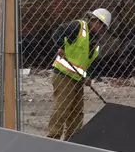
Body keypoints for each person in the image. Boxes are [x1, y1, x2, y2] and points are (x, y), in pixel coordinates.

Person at [46, 8, 112, 140]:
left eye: (104, 28)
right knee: (62, 108)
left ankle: (73, 138)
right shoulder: (78, 27)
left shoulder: (95, 42)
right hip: (64, 75)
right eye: (101, 25)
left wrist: (88, 76)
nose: (101, 30)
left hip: (78, 78)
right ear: (94, 21)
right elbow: (57, 33)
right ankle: (53, 137)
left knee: (77, 111)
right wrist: (59, 47)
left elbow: (90, 62)